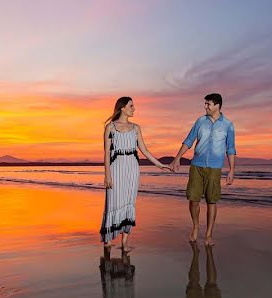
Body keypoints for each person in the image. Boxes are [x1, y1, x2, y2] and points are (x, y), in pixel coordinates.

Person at [100, 97, 170, 250]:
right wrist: (107, 175)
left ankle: (125, 241)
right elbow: (106, 153)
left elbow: (144, 151)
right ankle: (108, 241)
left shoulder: (136, 128)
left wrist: (161, 165)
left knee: (129, 201)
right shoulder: (110, 127)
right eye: (131, 106)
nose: (134, 109)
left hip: (132, 166)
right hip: (116, 166)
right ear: (122, 108)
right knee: (113, 200)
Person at [169, 93, 236, 245]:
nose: (205, 107)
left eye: (208, 104)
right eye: (205, 104)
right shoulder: (200, 121)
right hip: (196, 166)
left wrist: (231, 170)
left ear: (217, 105)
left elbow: (230, 149)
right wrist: (177, 158)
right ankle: (195, 227)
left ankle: (209, 234)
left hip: (214, 168)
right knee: (193, 199)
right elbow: (189, 140)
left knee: (212, 201)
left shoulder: (228, 125)